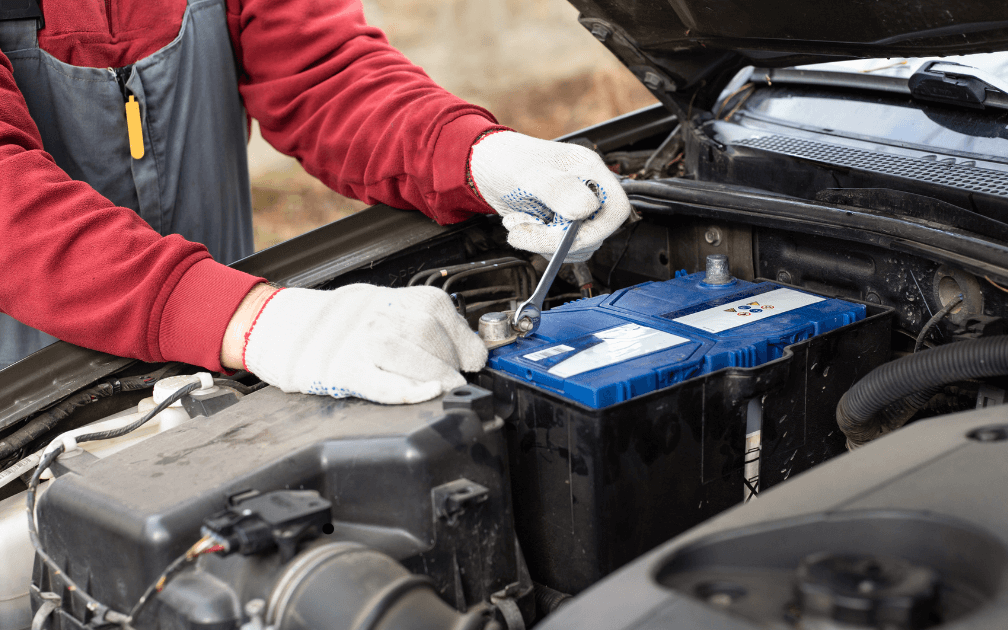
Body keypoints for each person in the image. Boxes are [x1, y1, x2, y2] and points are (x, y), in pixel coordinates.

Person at [0, 0, 630, 403]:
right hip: (24, 404)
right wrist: (258, 322)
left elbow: (324, 73)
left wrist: (475, 157)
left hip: (231, 363)